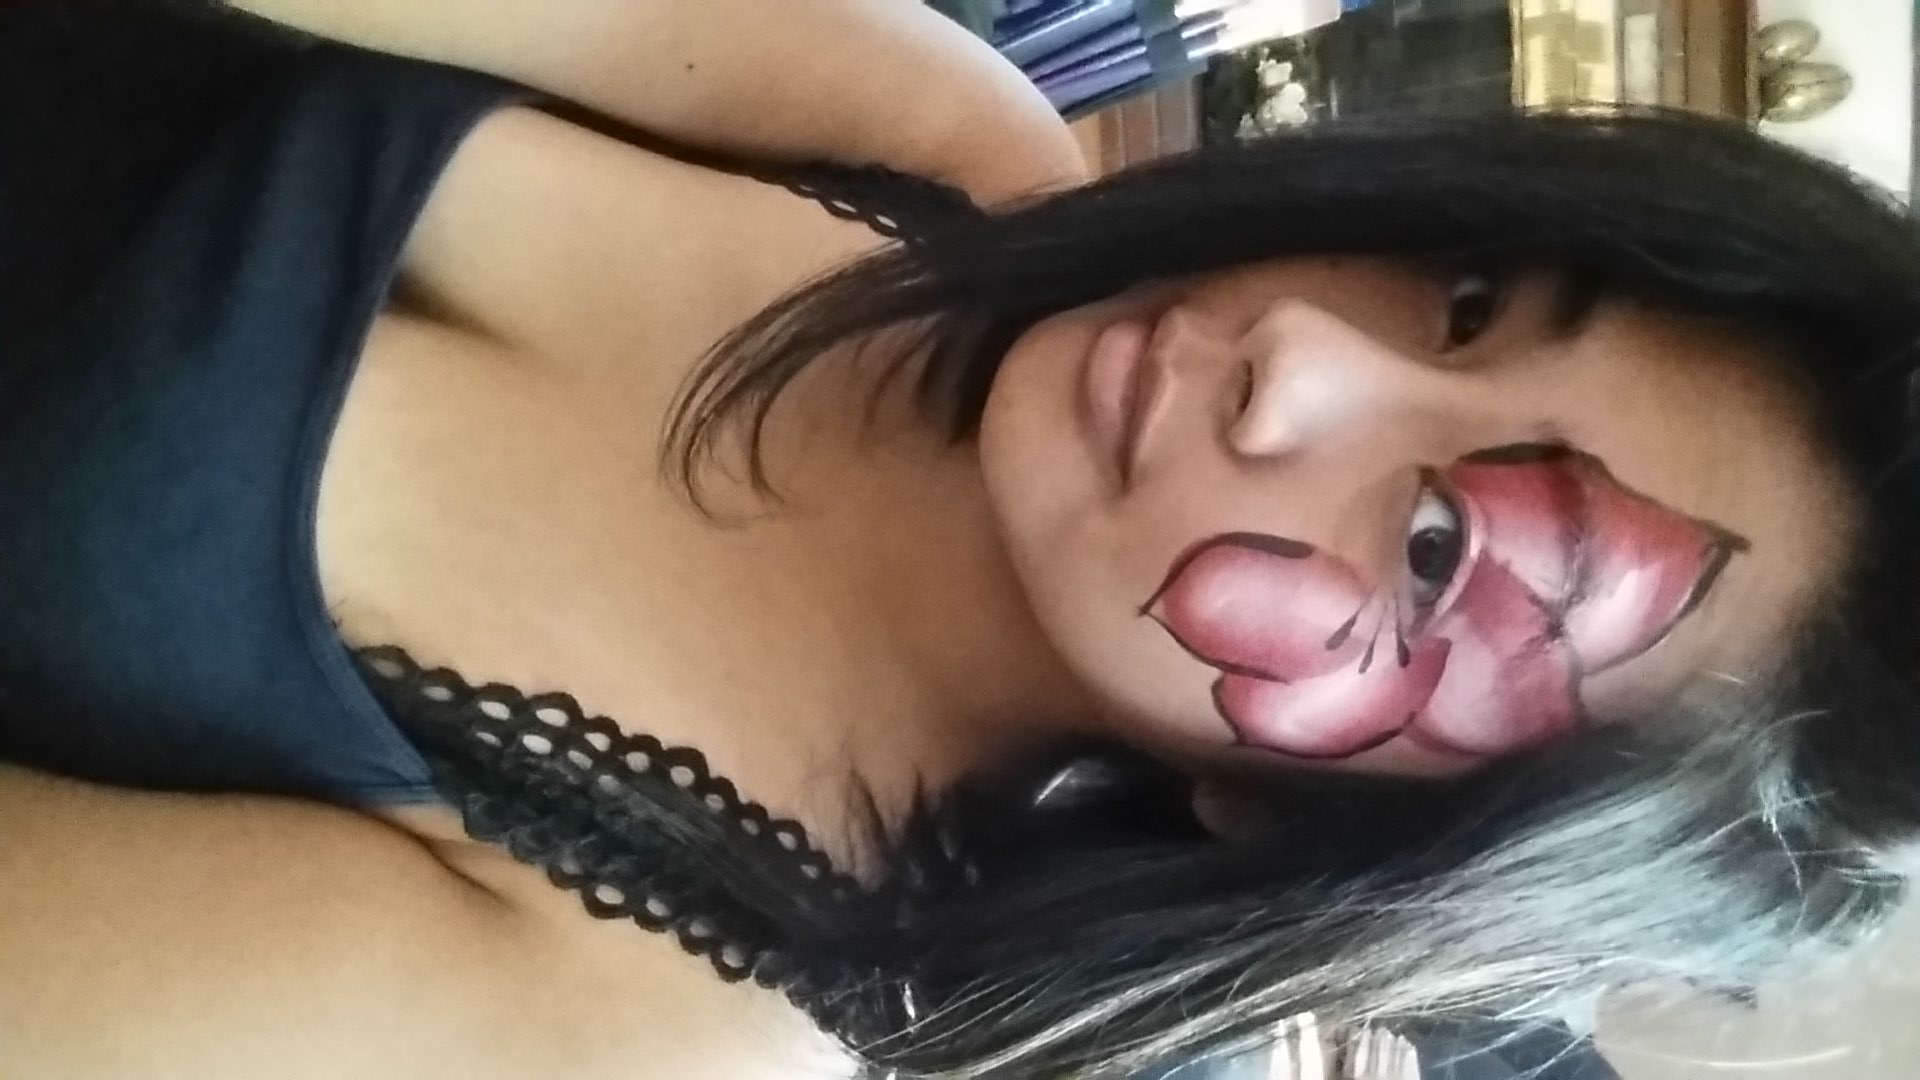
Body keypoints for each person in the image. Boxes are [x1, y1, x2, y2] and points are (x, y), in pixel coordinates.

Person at [3, 2, 1918, 1078]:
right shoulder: (930, 136)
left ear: (1345, 834)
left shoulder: (647, 1015)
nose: (1305, 357)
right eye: (1469, 293)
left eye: (1435, 555)